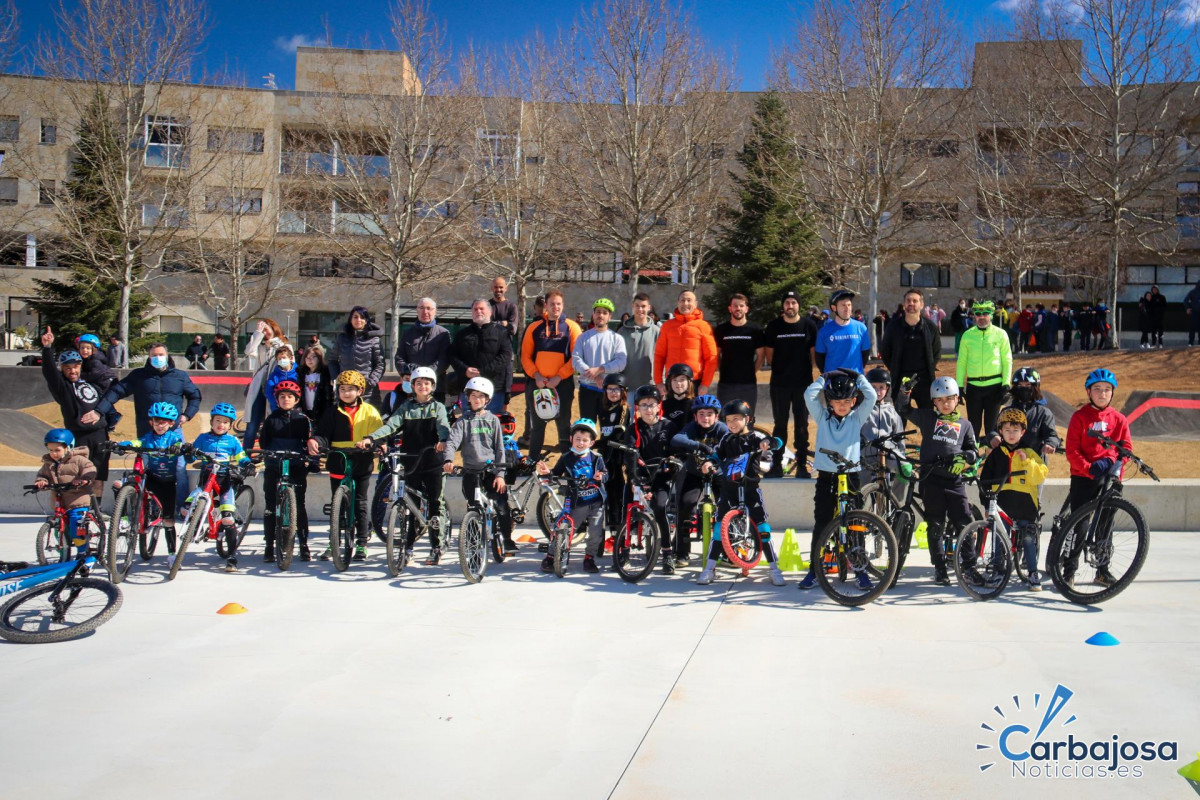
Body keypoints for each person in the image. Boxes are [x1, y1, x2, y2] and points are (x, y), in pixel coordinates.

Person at [796, 369, 877, 590]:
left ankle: (860, 570)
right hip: (827, 476)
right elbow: (808, 395)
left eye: (847, 401)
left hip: (850, 476)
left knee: (855, 524)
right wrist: (823, 378)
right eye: (836, 401)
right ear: (829, 402)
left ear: (853, 401)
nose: (842, 405)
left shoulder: (856, 417)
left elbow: (872, 396)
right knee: (822, 522)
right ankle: (815, 569)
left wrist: (858, 376)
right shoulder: (822, 417)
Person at [895, 376, 979, 586]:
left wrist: (965, 457)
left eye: (949, 399)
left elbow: (973, 451)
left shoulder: (965, 425)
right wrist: (905, 392)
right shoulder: (928, 418)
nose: (945, 404)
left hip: (954, 481)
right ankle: (940, 568)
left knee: (964, 522)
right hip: (931, 479)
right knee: (935, 525)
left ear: (957, 399)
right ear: (934, 402)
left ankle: (969, 566)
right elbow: (904, 410)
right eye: (940, 400)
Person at [361, 366, 449, 565]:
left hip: (432, 461)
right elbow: (392, 425)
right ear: (412, 386)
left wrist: (443, 440)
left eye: (426, 383)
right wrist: (371, 438)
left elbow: (443, 426)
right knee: (411, 506)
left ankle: (437, 546)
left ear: (432, 386)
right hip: (411, 461)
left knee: (435, 503)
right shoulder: (406, 406)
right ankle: (407, 546)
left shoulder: (438, 407)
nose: (422, 386)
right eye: (418, 383)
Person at [695, 400, 786, 587]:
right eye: (728, 420)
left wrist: (769, 442)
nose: (732, 423)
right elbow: (716, 455)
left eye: (736, 419)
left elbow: (777, 442)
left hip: (750, 489)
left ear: (748, 419)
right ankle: (709, 569)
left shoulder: (754, 438)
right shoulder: (726, 440)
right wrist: (708, 463)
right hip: (730, 491)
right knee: (719, 529)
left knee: (763, 529)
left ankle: (774, 569)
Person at [307, 370, 384, 561]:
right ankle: (334, 542)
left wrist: (374, 443)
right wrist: (316, 441)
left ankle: (362, 542)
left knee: (360, 502)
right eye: (342, 389)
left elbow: (379, 434)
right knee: (337, 502)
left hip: (361, 460)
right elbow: (323, 433)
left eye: (351, 389)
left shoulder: (369, 411)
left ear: (360, 391)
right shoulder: (332, 411)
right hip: (338, 460)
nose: (346, 393)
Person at [1063, 369, 1130, 587]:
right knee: (1079, 524)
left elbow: (1126, 449)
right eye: (1097, 389)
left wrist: (1116, 467)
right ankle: (1069, 570)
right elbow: (1072, 450)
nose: (1102, 394)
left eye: (1107, 390)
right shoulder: (1079, 417)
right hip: (1084, 477)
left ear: (1113, 393)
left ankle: (1102, 570)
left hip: (1110, 478)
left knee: (1106, 525)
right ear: (1088, 392)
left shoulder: (1119, 419)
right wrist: (1088, 468)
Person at [442, 376, 517, 555]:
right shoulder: (463, 421)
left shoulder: (493, 421)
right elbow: (452, 442)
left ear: (487, 399)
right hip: (471, 471)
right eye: (473, 395)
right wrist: (448, 460)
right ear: (467, 397)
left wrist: (500, 474)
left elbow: (500, 448)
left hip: (491, 470)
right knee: (473, 507)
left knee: (501, 504)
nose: (477, 399)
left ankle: (506, 539)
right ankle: (474, 544)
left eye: (481, 396)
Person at [40, 327, 119, 493]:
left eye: (76, 367)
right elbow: (49, 373)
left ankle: (96, 510)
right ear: (63, 369)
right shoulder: (63, 387)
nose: (73, 371)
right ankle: (81, 508)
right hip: (78, 435)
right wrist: (47, 348)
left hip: (99, 433)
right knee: (78, 475)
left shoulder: (88, 380)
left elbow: (104, 378)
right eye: (68, 368)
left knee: (98, 474)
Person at [979, 408, 1048, 590]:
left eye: (1015, 430)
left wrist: (1026, 462)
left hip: (1025, 503)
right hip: (1002, 502)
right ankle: (998, 570)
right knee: (1000, 536)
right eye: (1007, 430)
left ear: (1023, 432)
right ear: (1000, 431)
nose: (1011, 434)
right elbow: (985, 480)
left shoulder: (1030, 452)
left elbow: (1040, 475)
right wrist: (987, 503)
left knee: (1027, 537)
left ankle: (1033, 572)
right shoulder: (995, 454)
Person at [535, 419, 607, 574]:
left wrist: (601, 476)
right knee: (563, 527)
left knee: (595, 532)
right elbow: (556, 473)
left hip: (595, 502)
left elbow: (605, 474)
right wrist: (549, 474)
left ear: (591, 442)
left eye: (585, 440)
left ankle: (589, 558)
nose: (581, 443)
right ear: (571, 439)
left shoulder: (596, 458)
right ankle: (551, 555)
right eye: (578, 440)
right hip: (577, 502)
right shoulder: (566, 457)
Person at [190, 402, 255, 573]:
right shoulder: (203, 439)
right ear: (211, 421)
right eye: (218, 420)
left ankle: (232, 557)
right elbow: (190, 457)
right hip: (205, 480)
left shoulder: (232, 441)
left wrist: (247, 463)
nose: (221, 424)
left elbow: (241, 456)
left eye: (226, 422)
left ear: (230, 425)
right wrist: (187, 451)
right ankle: (194, 527)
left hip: (224, 481)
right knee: (186, 506)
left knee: (227, 518)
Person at [113, 402, 187, 551]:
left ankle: (172, 554)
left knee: (168, 520)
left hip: (167, 482)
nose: (160, 426)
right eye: (156, 422)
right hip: (151, 477)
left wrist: (178, 448)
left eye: (164, 422)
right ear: (151, 422)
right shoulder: (147, 438)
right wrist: (121, 444)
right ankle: (123, 519)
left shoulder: (174, 438)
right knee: (118, 484)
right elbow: (136, 442)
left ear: (171, 423)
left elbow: (180, 445)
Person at [86, 342, 201, 436]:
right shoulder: (138, 375)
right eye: (154, 355)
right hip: (147, 431)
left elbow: (195, 396)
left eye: (161, 355)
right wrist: (99, 411)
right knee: (147, 463)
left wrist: (187, 415)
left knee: (178, 464)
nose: (158, 358)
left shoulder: (180, 376)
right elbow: (116, 391)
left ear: (167, 356)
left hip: (173, 430)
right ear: (149, 357)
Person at [763, 290, 820, 478]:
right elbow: (769, 356)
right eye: (787, 302)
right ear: (783, 306)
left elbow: (813, 355)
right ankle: (777, 464)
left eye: (793, 302)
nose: (790, 306)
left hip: (803, 384)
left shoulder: (809, 326)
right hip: (780, 384)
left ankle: (802, 465)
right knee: (780, 425)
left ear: (799, 305)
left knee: (802, 425)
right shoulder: (773, 326)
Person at [624, 385, 679, 574]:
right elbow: (630, 455)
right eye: (644, 405)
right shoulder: (633, 429)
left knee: (659, 507)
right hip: (639, 475)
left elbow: (676, 451)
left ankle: (667, 553)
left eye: (652, 405)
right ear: (637, 408)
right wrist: (633, 478)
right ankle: (623, 551)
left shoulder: (668, 426)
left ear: (658, 406)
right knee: (627, 507)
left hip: (661, 476)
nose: (648, 409)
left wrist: (672, 462)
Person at [668, 394, 729, 566]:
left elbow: (728, 445)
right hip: (694, 474)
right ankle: (681, 552)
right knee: (685, 504)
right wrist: (699, 446)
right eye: (701, 414)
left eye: (709, 414)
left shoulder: (722, 429)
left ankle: (727, 549)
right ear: (695, 416)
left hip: (717, 474)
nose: (705, 418)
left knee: (726, 507)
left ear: (716, 416)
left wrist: (714, 459)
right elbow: (676, 439)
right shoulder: (692, 427)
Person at [520, 290, 582, 457]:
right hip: (537, 384)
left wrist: (559, 377)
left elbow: (576, 357)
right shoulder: (533, 327)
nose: (556, 307)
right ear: (545, 305)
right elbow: (525, 356)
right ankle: (532, 462)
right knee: (537, 426)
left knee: (563, 425)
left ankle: (566, 464)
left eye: (559, 304)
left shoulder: (572, 327)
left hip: (562, 384)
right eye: (552, 304)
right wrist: (536, 376)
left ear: (563, 305)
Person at [257, 380, 313, 563]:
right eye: (282, 397)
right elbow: (264, 443)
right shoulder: (271, 419)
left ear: (296, 400)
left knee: (299, 504)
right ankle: (269, 546)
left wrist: (310, 460)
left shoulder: (303, 420)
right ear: (277, 399)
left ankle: (304, 544)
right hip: (274, 465)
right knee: (270, 506)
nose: (286, 399)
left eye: (290, 396)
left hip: (296, 465)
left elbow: (308, 443)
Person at [956, 300, 1012, 442]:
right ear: (974, 316)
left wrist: (1006, 384)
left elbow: (1007, 360)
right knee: (972, 426)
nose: (981, 317)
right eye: (978, 314)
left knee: (991, 428)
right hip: (974, 388)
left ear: (991, 315)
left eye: (985, 313)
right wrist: (959, 385)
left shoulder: (1001, 334)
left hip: (994, 387)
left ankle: (990, 460)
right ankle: (973, 458)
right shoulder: (967, 336)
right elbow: (961, 362)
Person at [34, 429, 98, 553]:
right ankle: (63, 554)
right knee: (59, 530)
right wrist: (41, 481)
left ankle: (82, 552)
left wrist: (84, 479)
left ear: (68, 448)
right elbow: (42, 475)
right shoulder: (48, 463)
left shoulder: (79, 460)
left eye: (57, 450)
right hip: (60, 503)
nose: (53, 453)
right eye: (51, 450)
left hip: (78, 501)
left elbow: (90, 469)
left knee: (76, 527)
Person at [880, 288, 941, 409]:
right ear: (904, 304)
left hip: (924, 381)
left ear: (922, 305)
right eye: (908, 300)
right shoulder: (893, 326)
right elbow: (885, 351)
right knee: (900, 421)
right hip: (900, 381)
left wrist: (929, 367)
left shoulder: (931, 327)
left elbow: (936, 352)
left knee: (927, 419)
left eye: (915, 301)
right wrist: (894, 368)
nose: (911, 303)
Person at [449, 299, 513, 414]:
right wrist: (464, 370)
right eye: (475, 309)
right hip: (468, 388)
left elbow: (505, 356)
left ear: (490, 311)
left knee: (491, 426)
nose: (478, 311)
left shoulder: (502, 333)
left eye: (481, 309)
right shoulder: (462, 334)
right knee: (469, 426)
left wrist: (482, 372)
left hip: (494, 390)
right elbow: (452, 356)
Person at [572, 298, 627, 422]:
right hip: (587, 390)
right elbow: (576, 360)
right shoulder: (583, 337)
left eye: (604, 312)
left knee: (608, 430)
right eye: (598, 312)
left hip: (610, 392)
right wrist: (595, 377)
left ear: (609, 316)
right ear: (593, 314)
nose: (600, 315)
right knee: (587, 428)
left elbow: (621, 362)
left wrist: (601, 369)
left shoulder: (617, 338)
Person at [986, 367, 1060, 461]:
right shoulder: (1007, 412)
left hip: (1035, 464)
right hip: (1010, 463)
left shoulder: (1043, 413)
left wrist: (1050, 443)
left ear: (1035, 387)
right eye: (1020, 385)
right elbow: (994, 431)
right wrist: (993, 436)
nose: (1024, 388)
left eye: (1028, 385)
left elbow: (1052, 435)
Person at [653, 290, 718, 396]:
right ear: (678, 303)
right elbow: (659, 356)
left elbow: (711, 357)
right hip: (672, 382)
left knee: (693, 412)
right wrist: (658, 382)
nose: (685, 304)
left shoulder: (704, 326)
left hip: (694, 383)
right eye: (682, 300)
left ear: (695, 304)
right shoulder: (667, 326)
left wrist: (705, 384)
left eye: (689, 300)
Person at [714, 293, 765, 414]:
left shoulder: (755, 330)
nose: (738, 308)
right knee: (724, 418)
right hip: (726, 384)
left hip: (748, 384)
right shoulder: (721, 329)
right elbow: (716, 355)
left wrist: (751, 372)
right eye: (735, 305)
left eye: (741, 306)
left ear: (746, 309)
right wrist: (722, 370)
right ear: (729, 308)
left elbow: (761, 356)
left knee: (747, 418)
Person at [242, 343, 299, 449]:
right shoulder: (275, 375)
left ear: (291, 358)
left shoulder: (298, 373)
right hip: (277, 410)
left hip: (295, 409)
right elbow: (269, 391)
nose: (282, 360)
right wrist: (275, 405)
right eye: (279, 359)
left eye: (284, 358)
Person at [397, 297, 451, 404]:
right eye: (421, 308)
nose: (425, 311)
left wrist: (424, 376)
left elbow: (444, 359)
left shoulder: (443, 334)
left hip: (436, 388)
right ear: (417, 310)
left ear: (435, 311)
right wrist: (406, 372)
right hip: (411, 387)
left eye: (428, 308)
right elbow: (400, 357)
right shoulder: (407, 333)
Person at [595, 373, 628, 538]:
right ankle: (609, 527)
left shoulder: (623, 408)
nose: (613, 392)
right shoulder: (602, 409)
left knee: (618, 489)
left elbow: (618, 432)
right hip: (605, 455)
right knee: (607, 490)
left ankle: (619, 528)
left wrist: (600, 442)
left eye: (617, 389)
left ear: (623, 391)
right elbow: (602, 431)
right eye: (610, 389)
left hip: (619, 454)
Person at [330, 306, 385, 405]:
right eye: (355, 317)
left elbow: (380, 364)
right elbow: (332, 360)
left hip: (368, 392)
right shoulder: (342, 338)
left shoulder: (374, 340)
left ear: (366, 320)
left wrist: (370, 383)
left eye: (362, 317)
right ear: (350, 319)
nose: (358, 320)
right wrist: (337, 378)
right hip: (345, 390)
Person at [815, 289, 871, 373]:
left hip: (855, 382)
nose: (847, 308)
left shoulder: (862, 328)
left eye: (849, 305)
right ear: (834, 308)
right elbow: (820, 358)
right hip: (833, 382)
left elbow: (865, 354)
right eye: (843, 305)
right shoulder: (823, 332)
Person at [859, 367, 905, 471]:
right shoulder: (861, 410)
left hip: (888, 453)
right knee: (862, 483)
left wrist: (901, 454)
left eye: (881, 387)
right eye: (873, 387)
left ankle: (894, 487)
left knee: (904, 469)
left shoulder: (892, 412)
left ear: (887, 388)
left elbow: (899, 435)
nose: (877, 391)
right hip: (866, 454)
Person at [617, 293, 660, 390]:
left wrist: (661, 381)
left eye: (643, 306)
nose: (640, 309)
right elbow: (616, 358)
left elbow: (662, 357)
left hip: (650, 385)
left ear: (649, 307)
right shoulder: (622, 331)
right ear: (632, 306)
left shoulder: (657, 331)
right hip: (627, 386)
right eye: (637, 306)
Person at [297, 344, 334, 423]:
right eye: (307, 358)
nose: (310, 360)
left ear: (319, 358)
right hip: (305, 410)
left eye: (313, 357)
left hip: (321, 410)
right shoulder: (301, 373)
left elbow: (329, 394)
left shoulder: (326, 373)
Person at [661, 363, 695, 429]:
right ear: (670, 382)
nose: (678, 383)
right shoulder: (664, 405)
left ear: (689, 382)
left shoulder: (695, 405)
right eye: (674, 380)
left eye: (682, 380)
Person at [1187, 278, 1200, 346]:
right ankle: (1190, 342)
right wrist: (1188, 308)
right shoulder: (1193, 292)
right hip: (1194, 312)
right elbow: (1186, 300)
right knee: (1192, 327)